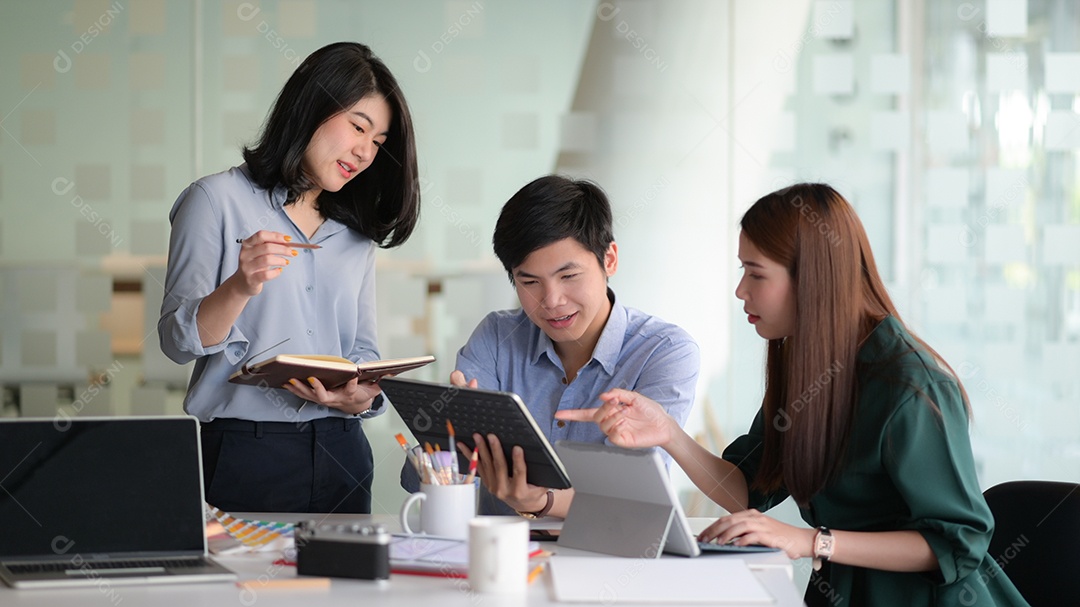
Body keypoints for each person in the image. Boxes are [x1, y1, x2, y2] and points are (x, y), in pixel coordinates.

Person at [557, 184, 1028, 606]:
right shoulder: (808, 363)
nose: (740, 290)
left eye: (755, 274)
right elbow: (746, 490)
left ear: (812, 279)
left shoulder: (910, 388)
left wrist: (812, 541)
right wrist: (667, 434)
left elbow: (960, 542)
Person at [159, 42, 420, 514]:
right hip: (245, 453)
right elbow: (178, 343)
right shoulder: (215, 201)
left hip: (343, 451)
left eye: (378, 143)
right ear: (312, 109)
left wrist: (360, 398)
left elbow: (362, 349)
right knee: (240, 587)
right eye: (358, 128)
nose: (365, 152)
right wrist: (240, 285)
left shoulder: (355, 231)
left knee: (344, 589)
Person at [403, 175, 699, 518]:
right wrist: (449, 442)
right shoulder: (497, 338)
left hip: (610, 558)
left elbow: (634, 498)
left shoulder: (664, 352)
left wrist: (542, 501)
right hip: (499, 556)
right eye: (529, 282)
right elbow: (434, 477)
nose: (552, 301)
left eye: (569, 276)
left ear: (610, 260)